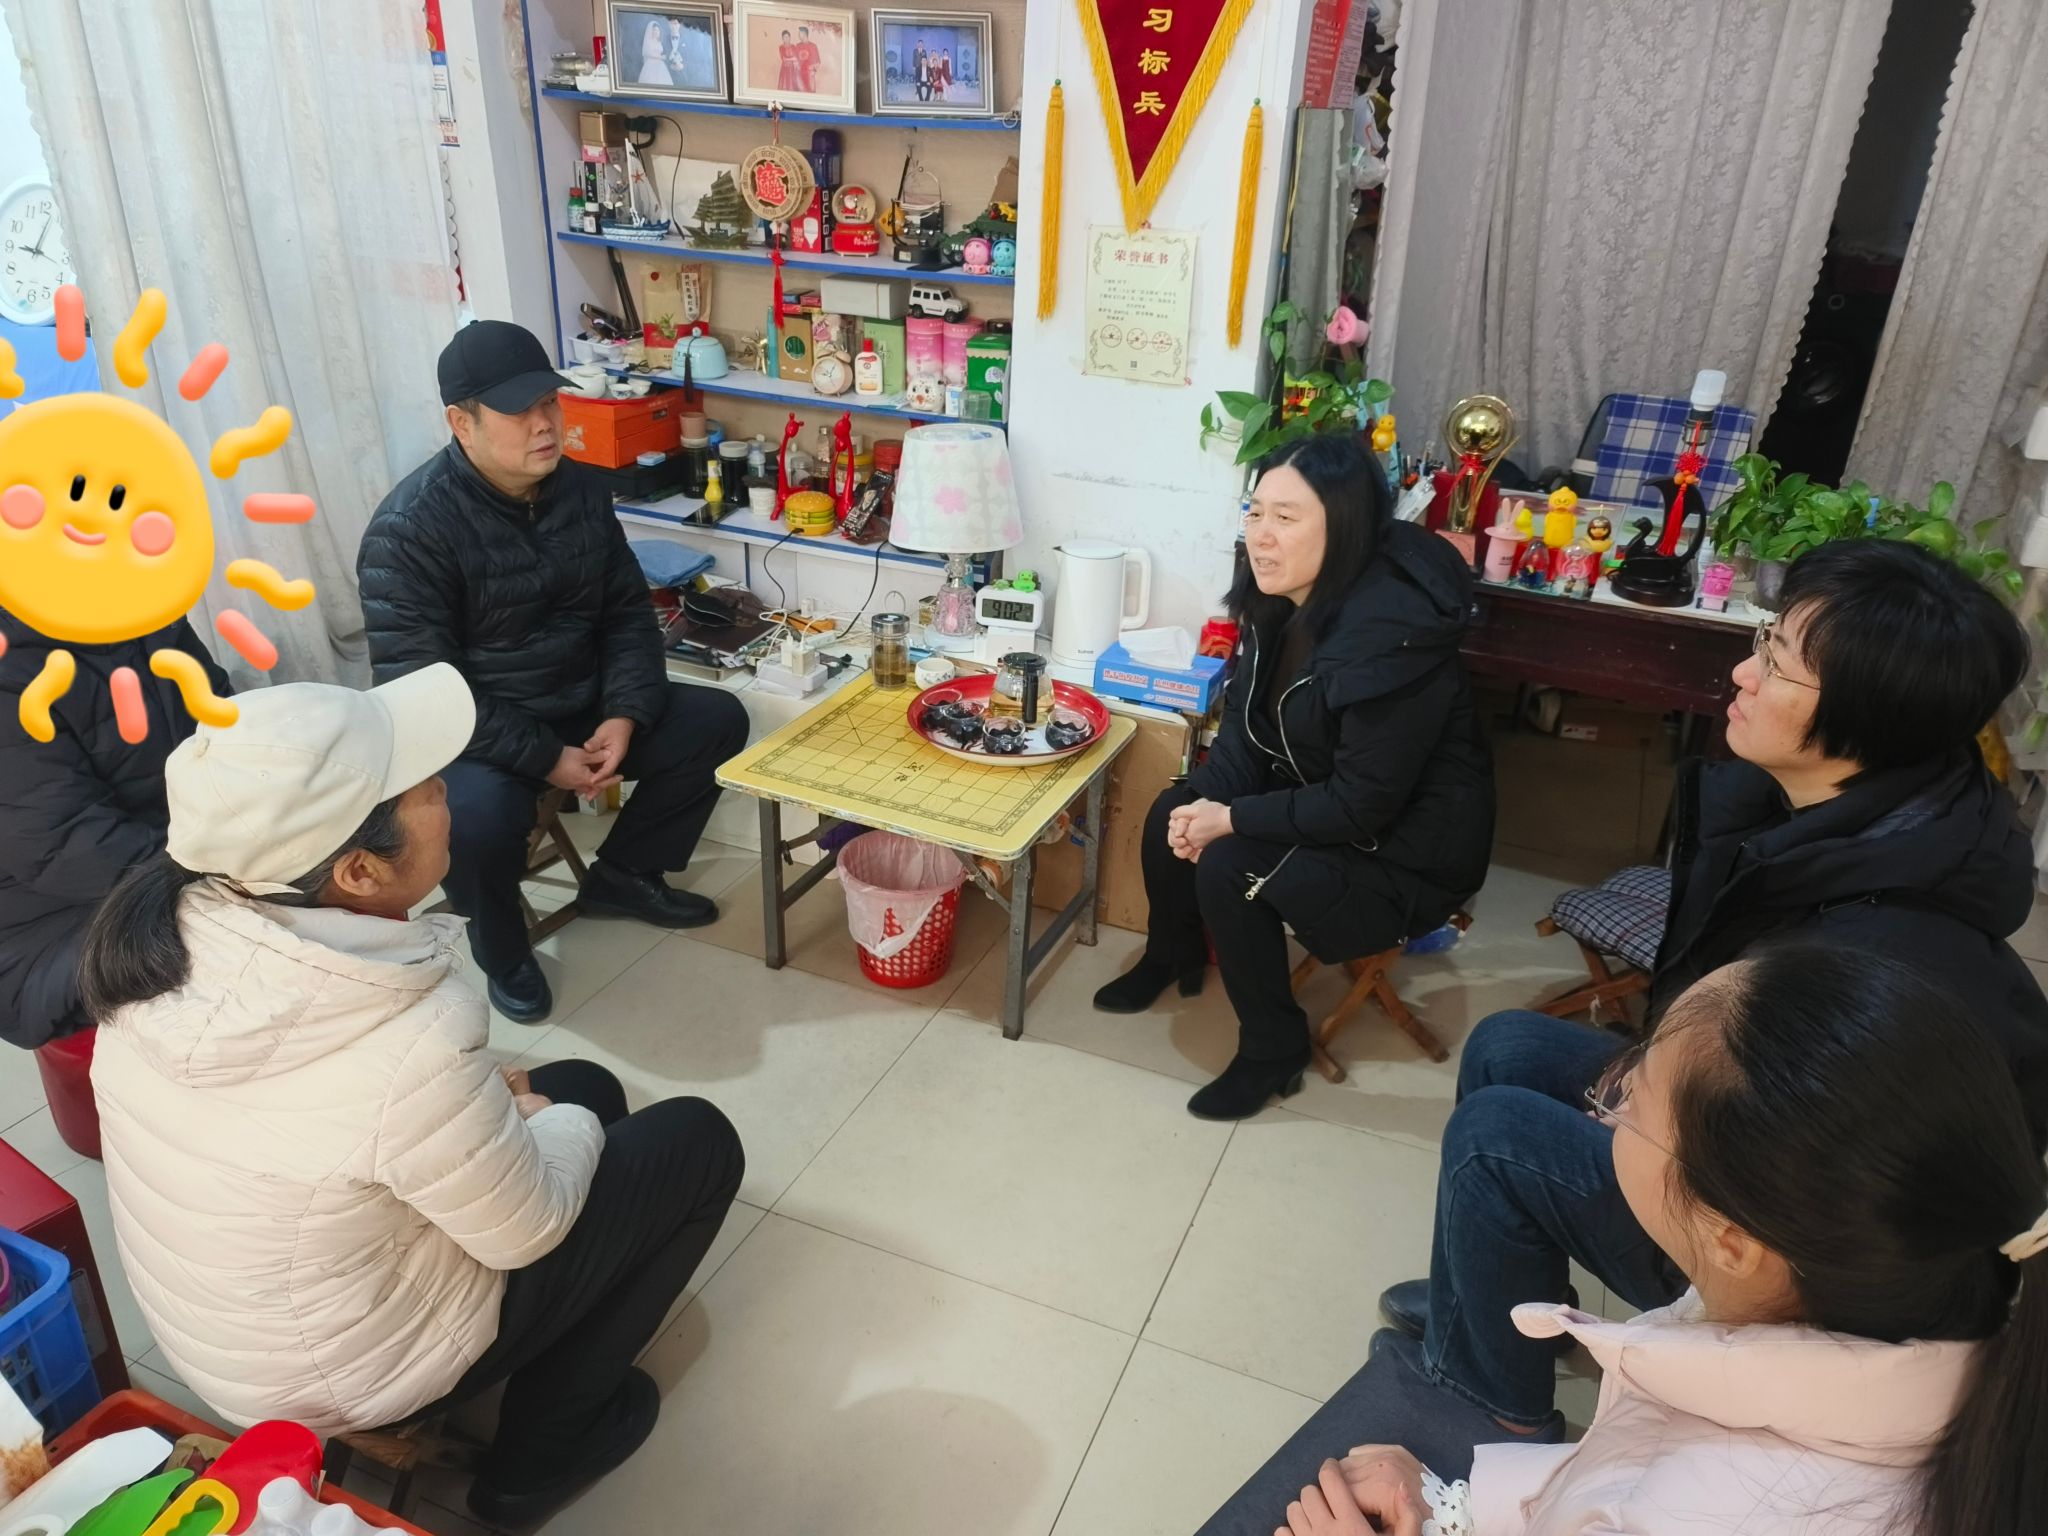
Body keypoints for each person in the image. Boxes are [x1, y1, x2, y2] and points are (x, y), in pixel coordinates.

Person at [1376, 536, 2048, 1456]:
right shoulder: (1865, 813)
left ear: (1869, 719)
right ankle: (1497, 1304)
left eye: (1777, 662)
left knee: (1494, 1139)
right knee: (1509, 1047)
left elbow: (1790, 1208)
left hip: (1789, 1263)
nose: (1742, 671)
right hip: (1758, 1122)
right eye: (1766, 637)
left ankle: (1492, 1403)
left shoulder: (1869, 947)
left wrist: (1651, 1115)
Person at [81, 667, 745, 1529]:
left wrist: (509, 1110)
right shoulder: (411, 1038)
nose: (446, 790)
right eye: (424, 786)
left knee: (585, 1083)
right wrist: (540, 1118)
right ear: (359, 871)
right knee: (693, 1141)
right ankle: (535, 1463)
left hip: (237, 1346)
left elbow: (352, 1120)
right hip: (341, 1379)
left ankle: (532, 1321)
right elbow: (529, 1228)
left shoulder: (157, 948)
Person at [1201, 940, 2048, 1536]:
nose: (1604, 1109)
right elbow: (1610, 1478)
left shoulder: (1716, 1508)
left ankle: (1487, 1397)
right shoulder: (1928, 1311)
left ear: (1732, 1240)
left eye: (1627, 1102)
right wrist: (1452, 1507)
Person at [1092, 434, 1493, 1120]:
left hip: (1402, 851)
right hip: (1320, 789)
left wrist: (1231, 820)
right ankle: (1172, 954)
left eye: (1286, 517)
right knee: (1170, 813)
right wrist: (1207, 801)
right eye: (1255, 513)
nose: (1261, 535)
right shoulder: (1280, 597)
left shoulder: (1391, 636)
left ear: (1345, 526)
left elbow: (1362, 806)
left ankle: (1273, 1048)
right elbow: (1248, 726)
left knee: (1231, 866)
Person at [358, 321, 749, 1024]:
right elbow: (424, 691)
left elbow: (626, 613)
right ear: (462, 423)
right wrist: (546, 758)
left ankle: (624, 874)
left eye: (549, 402)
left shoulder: (581, 490)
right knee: (472, 815)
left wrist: (623, 713)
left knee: (717, 721)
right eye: (519, 411)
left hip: (578, 700)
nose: (545, 423)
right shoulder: (409, 530)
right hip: (476, 733)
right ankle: (503, 950)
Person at [0, 613, 228, 1056]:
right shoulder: (14, 667)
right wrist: (235, 866)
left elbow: (230, 724)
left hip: (180, 865)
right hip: (65, 928)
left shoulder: (146, 615)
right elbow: (67, 848)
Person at [635, 18, 673, 85]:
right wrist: (660, 57)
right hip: (650, 65)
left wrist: (664, 56)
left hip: (660, 65)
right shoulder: (648, 42)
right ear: (651, 31)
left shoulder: (659, 42)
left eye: (658, 30)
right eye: (654, 30)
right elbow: (647, 53)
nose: (656, 32)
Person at [795, 24, 820, 93]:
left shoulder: (813, 46)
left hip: (809, 76)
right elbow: (795, 61)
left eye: (800, 33)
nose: (798, 35)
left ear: (804, 34)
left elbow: (817, 63)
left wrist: (813, 71)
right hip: (799, 75)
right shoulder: (798, 46)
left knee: (810, 92)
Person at [776, 28, 800, 93]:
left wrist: (790, 59)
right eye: (784, 37)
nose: (786, 38)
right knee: (784, 86)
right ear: (782, 38)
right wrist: (792, 59)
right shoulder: (781, 47)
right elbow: (784, 59)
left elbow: (796, 58)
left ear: (790, 37)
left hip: (792, 69)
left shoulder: (793, 46)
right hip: (785, 69)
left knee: (793, 87)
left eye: (787, 37)